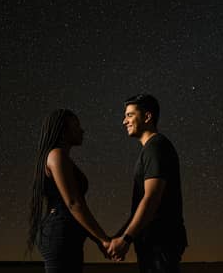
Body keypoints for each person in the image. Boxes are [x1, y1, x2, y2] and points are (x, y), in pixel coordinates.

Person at [107, 94, 188, 273]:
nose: (124, 121)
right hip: (153, 241)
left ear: (147, 116)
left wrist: (126, 239)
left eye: (129, 115)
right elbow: (141, 203)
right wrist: (119, 237)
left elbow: (151, 198)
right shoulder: (150, 149)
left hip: (161, 240)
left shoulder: (156, 147)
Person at [27, 109, 110, 273]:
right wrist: (103, 240)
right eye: (76, 126)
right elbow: (74, 204)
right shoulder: (56, 155)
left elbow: (77, 206)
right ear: (63, 131)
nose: (82, 130)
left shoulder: (59, 156)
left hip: (66, 233)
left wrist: (99, 240)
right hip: (60, 233)